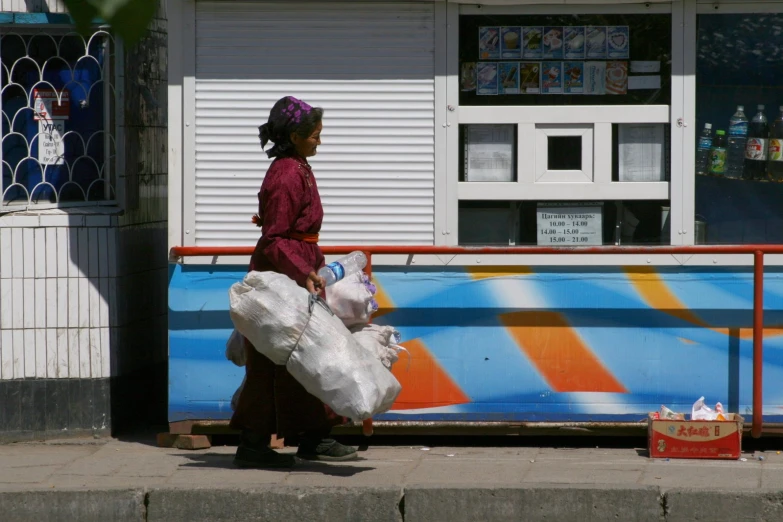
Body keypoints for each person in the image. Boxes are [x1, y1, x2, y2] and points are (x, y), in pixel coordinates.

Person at [230, 96, 358, 468]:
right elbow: (276, 237)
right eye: (315, 135)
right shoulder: (286, 174)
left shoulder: (297, 166)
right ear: (296, 136)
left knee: (310, 355)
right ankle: (253, 445)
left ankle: (314, 437)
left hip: (300, 271)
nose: (320, 141)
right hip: (283, 279)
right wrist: (303, 274)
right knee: (275, 363)